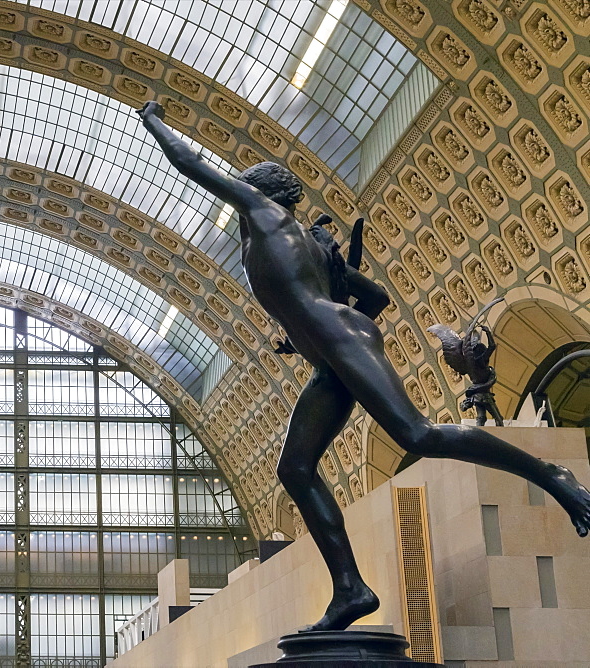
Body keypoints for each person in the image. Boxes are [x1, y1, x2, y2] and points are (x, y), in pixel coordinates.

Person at [136, 100, 590, 632]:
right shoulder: (311, 248)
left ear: (260, 190)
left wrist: (155, 121)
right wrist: (322, 325)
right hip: (330, 355)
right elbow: (374, 298)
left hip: (337, 343)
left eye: (245, 186)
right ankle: (350, 589)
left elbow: (190, 165)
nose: (238, 193)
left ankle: (552, 476)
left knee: (418, 435)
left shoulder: (265, 214)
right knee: (294, 470)